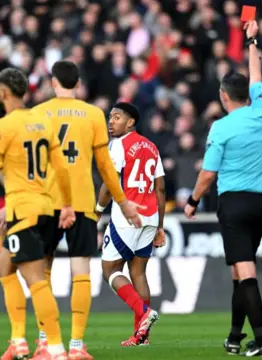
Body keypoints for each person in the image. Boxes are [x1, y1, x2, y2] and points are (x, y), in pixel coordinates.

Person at [30, 60, 143, 359]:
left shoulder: (37, 114)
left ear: (53, 83)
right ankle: (77, 346)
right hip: (81, 204)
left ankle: (45, 342)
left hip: (44, 203)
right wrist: (122, 202)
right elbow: (105, 167)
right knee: (80, 271)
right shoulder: (93, 114)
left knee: (41, 272)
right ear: (78, 84)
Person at [0, 67, 75, 360]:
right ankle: (19, 341)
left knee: (36, 279)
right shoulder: (42, 122)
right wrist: (66, 204)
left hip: (22, 210)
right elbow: (62, 168)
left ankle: (55, 348)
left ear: (3, 93)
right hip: (46, 207)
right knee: (4, 267)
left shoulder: (4, 126)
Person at [184, 20, 262, 357]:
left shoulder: (220, 128)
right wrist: (252, 42)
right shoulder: (261, 111)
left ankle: (261, 340)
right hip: (261, 203)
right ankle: (235, 336)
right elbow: (258, 77)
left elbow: (207, 175)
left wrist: (192, 201)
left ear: (223, 97)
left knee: (245, 269)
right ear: (247, 95)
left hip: (233, 203)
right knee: (240, 269)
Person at [95, 102, 166, 346]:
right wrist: (159, 226)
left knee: (110, 271)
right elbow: (161, 188)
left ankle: (143, 313)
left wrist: (97, 211)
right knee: (138, 272)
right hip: (151, 216)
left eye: (116, 117)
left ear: (131, 122)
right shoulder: (152, 147)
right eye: (110, 117)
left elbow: (109, 183)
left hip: (127, 216)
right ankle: (141, 336)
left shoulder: (118, 145)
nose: (111, 122)